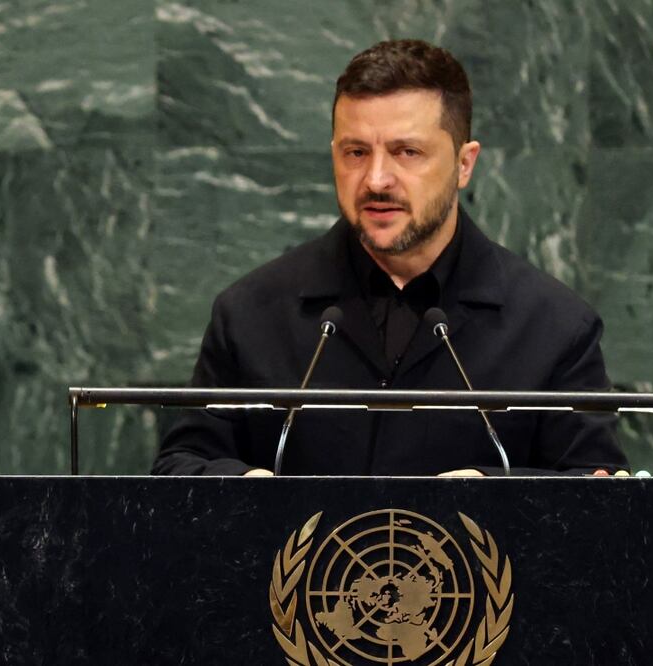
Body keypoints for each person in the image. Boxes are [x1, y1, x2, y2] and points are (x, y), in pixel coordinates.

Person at [152, 39, 628, 477]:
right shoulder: (249, 313)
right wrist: (242, 488)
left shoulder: (556, 327)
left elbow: (596, 491)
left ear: (464, 164)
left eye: (407, 152)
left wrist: (498, 495)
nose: (377, 179)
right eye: (355, 152)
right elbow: (179, 465)